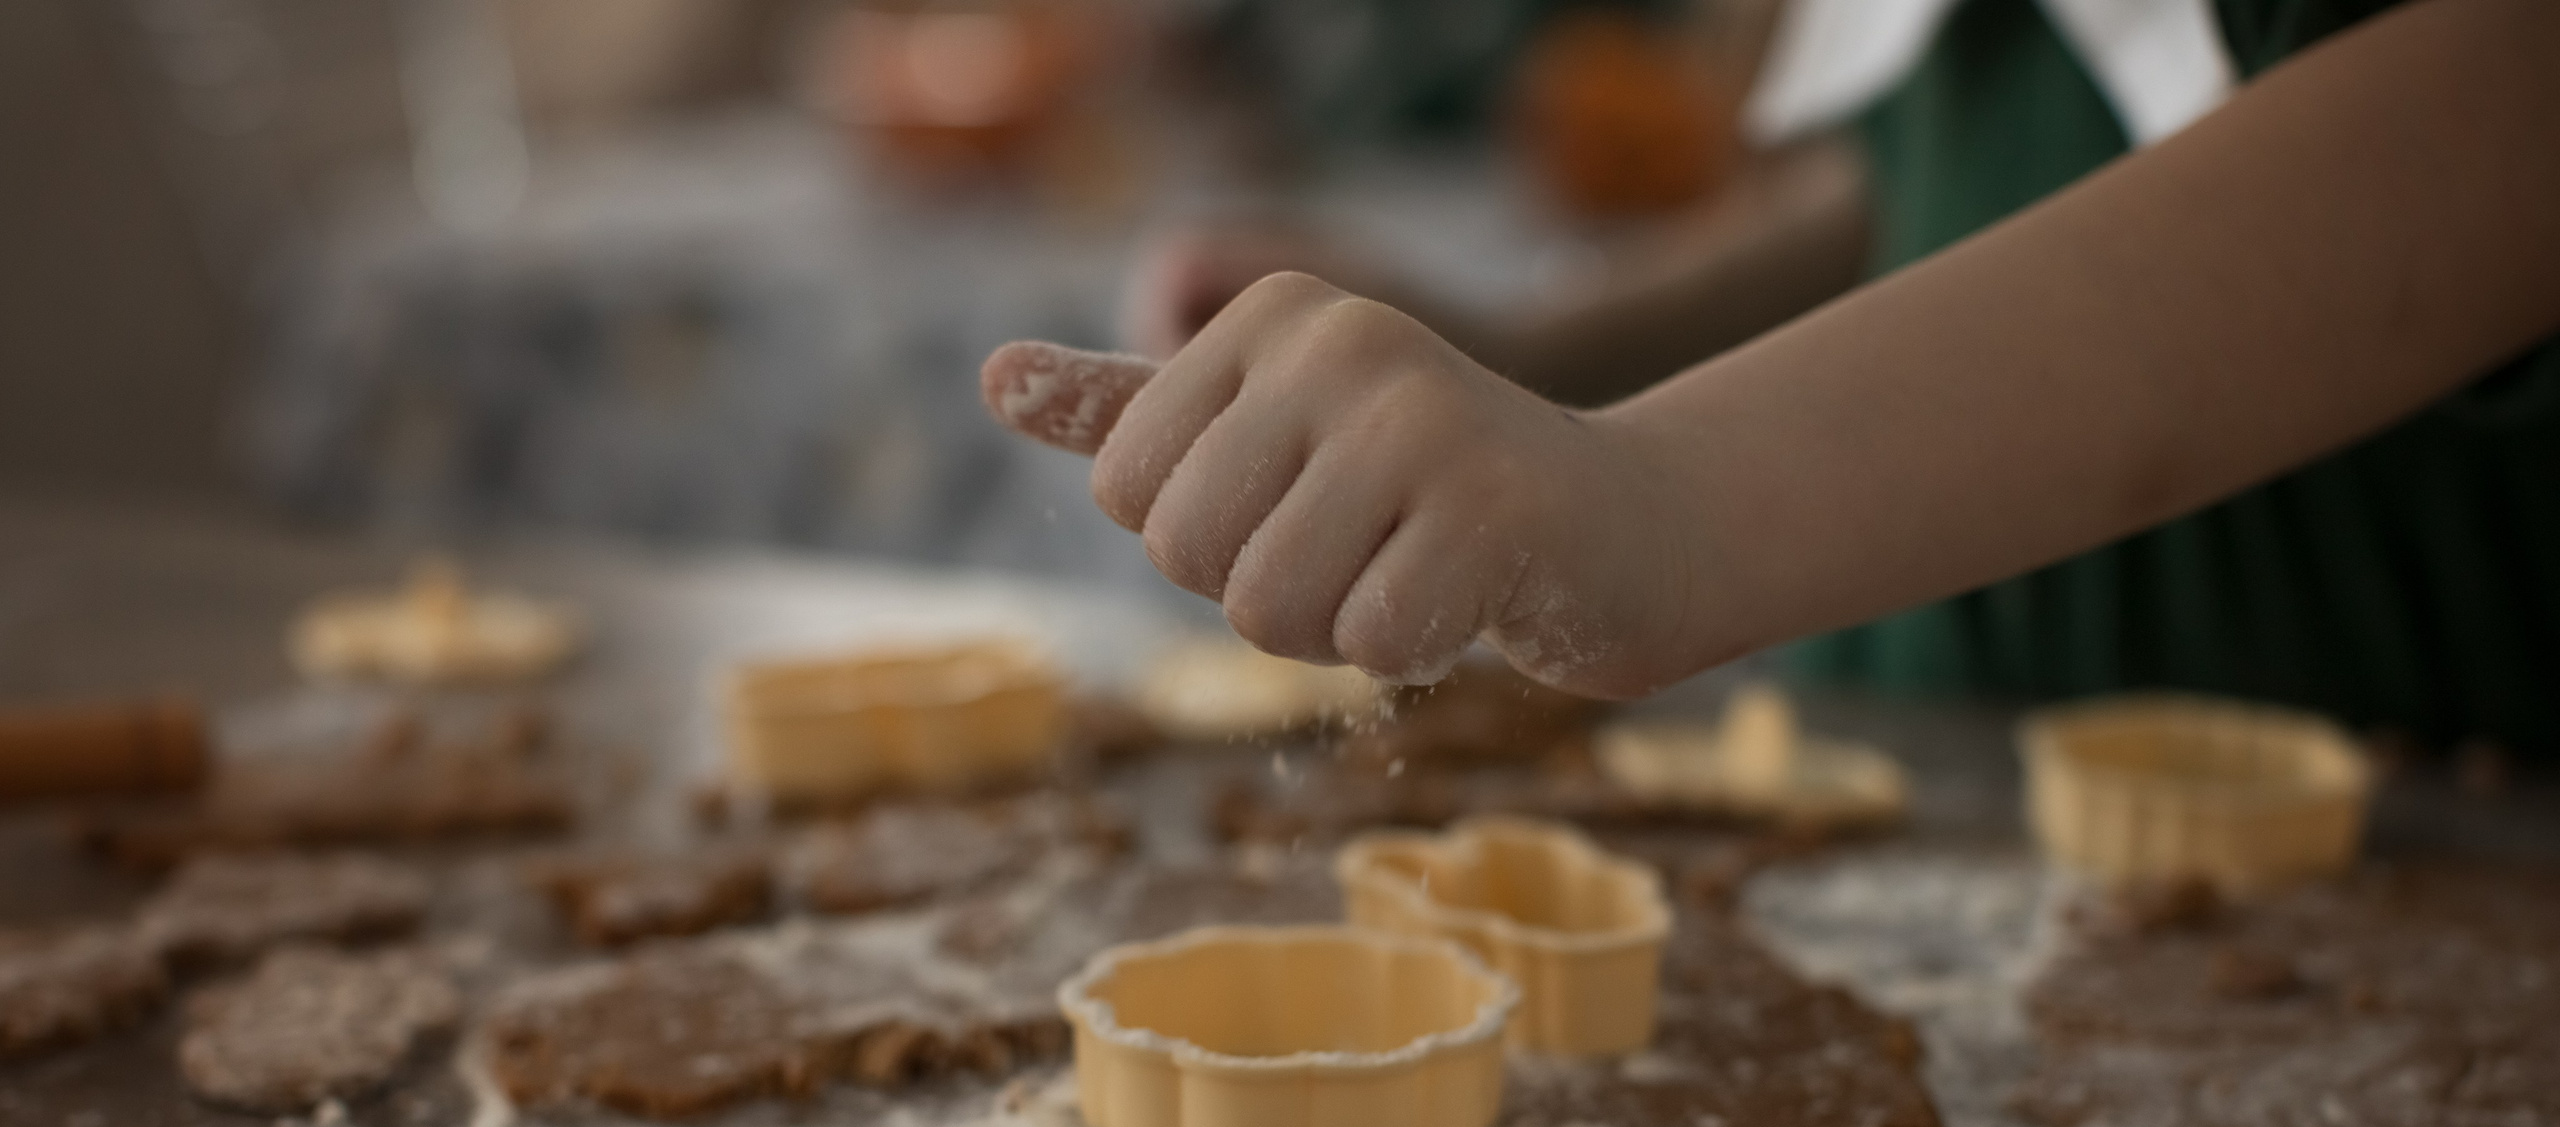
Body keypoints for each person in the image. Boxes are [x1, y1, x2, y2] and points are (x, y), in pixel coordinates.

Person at [983, 0, 2560, 753]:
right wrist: (1543, 366)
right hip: (1957, 809)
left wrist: (1674, 493)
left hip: (2421, 842)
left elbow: (2499, 108)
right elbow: (1966, 167)